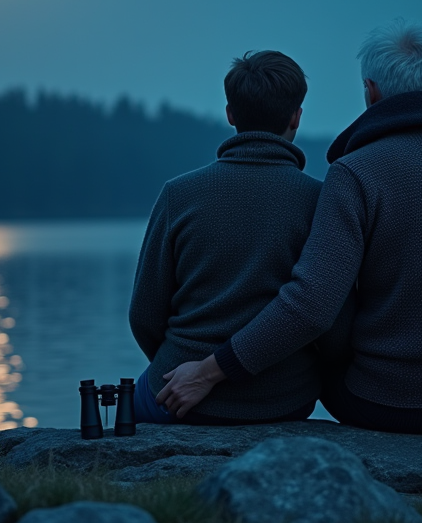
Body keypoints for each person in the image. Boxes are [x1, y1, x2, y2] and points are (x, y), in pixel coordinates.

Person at [156, 21, 422, 434]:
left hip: (384, 401)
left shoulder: (355, 174)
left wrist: (212, 371)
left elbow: (312, 307)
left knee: (319, 372)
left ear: (369, 91)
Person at [128, 50, 327, 425]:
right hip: (282, 400)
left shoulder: (179, 194)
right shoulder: (319, 200)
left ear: (230, 114)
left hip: (176, 391)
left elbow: (144, 315)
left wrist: (181, 365)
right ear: (296, 117)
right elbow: (329, 317)